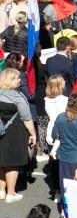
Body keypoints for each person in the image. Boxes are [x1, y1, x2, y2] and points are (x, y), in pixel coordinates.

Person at [0, 69, 34, 203]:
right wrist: (33, 134)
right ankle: (11, 193)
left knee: (1, 162)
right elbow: (27, 118)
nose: (20, 80)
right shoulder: (18, 97)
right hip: (14, 132)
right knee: (12, 164)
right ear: (8, 80)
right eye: (16, 78)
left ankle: (1, 191)